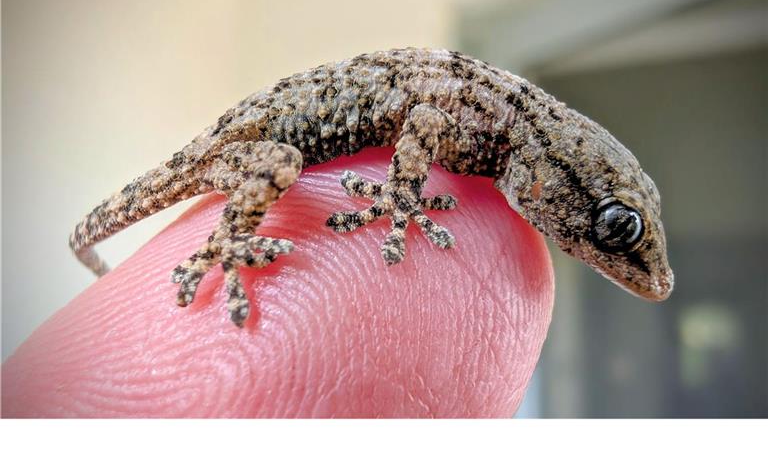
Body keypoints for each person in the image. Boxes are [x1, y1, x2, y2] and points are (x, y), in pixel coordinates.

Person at [1, 148, 554, 417]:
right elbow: (425, 122)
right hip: (263, 144)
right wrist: (402, 197)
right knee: (282, 162)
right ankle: (228, 237)